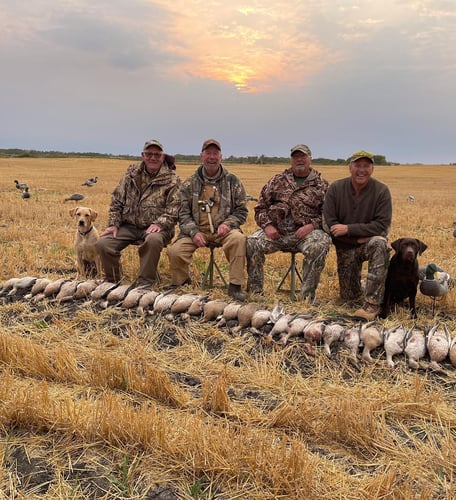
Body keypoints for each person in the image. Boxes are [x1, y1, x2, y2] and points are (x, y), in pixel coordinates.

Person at [246, 144, 331, 301]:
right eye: (296, 157)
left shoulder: (322, 185)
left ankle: (306, 297)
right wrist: (268, 226)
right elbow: (260, 208)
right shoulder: (277, 181)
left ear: (310, 159)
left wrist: (311, 225)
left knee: (319, 244)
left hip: (307, 235)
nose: (299, 159)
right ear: (291, 160)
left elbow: (329, 215)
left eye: (303, 156)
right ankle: (255, 293)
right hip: (277, 234)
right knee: (251, 242)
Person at [166, 139, 248, 301]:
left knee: (239, 240)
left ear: (221, 156)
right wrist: (194, 232)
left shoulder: (233, 181)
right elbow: (182, 213)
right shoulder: (189, 183)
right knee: (174, 251)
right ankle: (181, 281)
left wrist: (227, 224)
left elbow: (241, 211)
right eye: (208, 153)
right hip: (196, 232)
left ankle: (235, 286)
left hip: (223, 231)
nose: (212, 157)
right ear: (201, 156)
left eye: (215, 153)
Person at [95, 139, 180, 287]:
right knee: (103, 242)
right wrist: (113, 224)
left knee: (152, 240)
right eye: (149, 154)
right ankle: (113, 282)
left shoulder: (172, 180)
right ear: (143, 155)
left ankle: (145, 284)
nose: (153, 158)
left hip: (158, 228)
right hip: (129, 226)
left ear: (163, 156)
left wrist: (160, 223)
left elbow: (176, 208)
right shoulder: (130, 176)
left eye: (157, 155)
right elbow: (116, 201)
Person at [323, 150, 392, 320]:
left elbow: (382, 225)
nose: (361, 170)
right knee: (349, 298)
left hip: (368, 244)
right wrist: (357, 237)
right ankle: (364, 286)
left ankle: (372, 303)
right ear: (350, 168)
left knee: (379, 243)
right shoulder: (335, 188)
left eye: (366, 166)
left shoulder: (382, 191)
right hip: (345, 247)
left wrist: (348, 229)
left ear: (372, 169)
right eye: (357, 165)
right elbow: (329, 223)